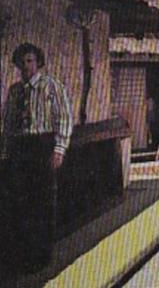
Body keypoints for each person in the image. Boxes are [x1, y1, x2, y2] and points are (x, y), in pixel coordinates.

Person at [0, 43, 73, 272]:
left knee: (43, 202)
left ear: (38, 62)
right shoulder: (15, 91)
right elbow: (9, 123)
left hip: (43, 145)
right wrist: (6, 150)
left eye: (30, 61)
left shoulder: (52, 87)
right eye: (22, 62)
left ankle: (42, 256)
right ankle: (24, 255)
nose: (26, 66)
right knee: (22, 202)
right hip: (20, 148)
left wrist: (59, 149)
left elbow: (64, 118)